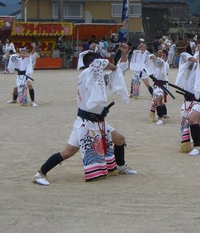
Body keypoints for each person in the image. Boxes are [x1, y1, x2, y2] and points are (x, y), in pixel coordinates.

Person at [33, 44, 137, 186]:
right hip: (85, 122)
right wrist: (111, 66)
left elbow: (120, 70)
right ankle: (40, 173)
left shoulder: (101, 77)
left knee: (119, 139)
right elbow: (103, 65)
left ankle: (120, 166)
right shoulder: (86, 74)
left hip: (99, 122)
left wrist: (124, 54)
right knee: (68, 152)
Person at [175, 43, 200, 155]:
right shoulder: (191, 62)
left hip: (199, 100)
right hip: (187, 99)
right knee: (189, 121)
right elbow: (183, 55)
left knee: (191, 118)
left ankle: (197, 146)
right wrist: (194, 57)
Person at [147, 50, 170, 125]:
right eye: (161, 56)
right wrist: (156, 57)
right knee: (159, 102)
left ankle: (160, 118)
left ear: (166, 57)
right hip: (157, 85)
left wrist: (157, 58)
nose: (162, 57)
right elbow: (150, 56)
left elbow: (160, 63)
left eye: (164, 56)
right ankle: (164, 113)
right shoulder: (157, 62)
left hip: (163, 85)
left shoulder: (165, 64)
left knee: (157, 101)